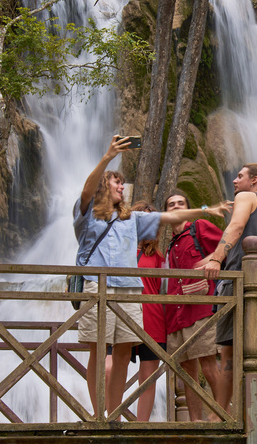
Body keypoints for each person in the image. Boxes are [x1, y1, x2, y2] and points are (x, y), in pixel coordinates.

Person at [74, 135, 230, 418]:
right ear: (103, 187)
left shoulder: (130, 219)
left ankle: (115, 412)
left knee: (122, 352)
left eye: (122, 183)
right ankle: (99, 416)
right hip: (99, 286)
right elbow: (87, 190)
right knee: (99, 351)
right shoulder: (88, 216)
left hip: (130, 290)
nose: (123, 186)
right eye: (117, 182)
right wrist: (108, 157)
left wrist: (207, 210)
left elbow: (169, 218)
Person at [202, 164, 257, 412]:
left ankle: (219, 416)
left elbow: (236, 226)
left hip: (238, 284)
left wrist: (217, 258)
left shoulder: (245, 197)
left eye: (240, 176)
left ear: (253, 181)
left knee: (229, 353)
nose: (234, 181)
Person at [164, 190, 227, 421]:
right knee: (186, 373)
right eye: (172, 204)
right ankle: (195, 421)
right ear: (166, 211)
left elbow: (227, 244)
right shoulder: (171, 245)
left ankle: (223, 416)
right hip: (176, 315)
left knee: (209, 366)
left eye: (181, 203)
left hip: (200, 309)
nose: (177, 206)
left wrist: (214, 259)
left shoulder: (198, 227)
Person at [131, 201, 165, 422]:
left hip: (153, 318)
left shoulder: (159, 257)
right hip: (122, 315)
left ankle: (140, 426)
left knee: (147, 377)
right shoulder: (119, 249)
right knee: (110, 367)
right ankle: (110, 421)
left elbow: (166, 288)